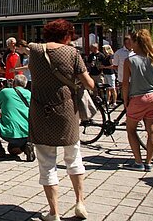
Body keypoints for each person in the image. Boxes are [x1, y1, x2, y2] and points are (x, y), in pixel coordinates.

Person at [27, 19, 94, 221]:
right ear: (67, 36)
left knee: (47, 163)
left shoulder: (35, 51)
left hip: (40, 111)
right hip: (66, 111)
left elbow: (28, 49)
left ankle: (54, 212)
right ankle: (80, 202)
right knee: (74, 157)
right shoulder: (72, 53)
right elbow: (89, 84)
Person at [121, 29, 153, 172]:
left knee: (131, 129)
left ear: (136, 43)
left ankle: (138, 162)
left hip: (138, 98)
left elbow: (125, 84)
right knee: (151, 130)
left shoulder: (130, 61)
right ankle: (149, 162)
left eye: (132, 41)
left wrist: (125, 100)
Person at [0, 74, 35, 161]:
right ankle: (25, 147)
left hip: (9, 132)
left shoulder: (5, 92)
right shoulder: (29, 94)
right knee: (12, 150)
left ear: (13, 83)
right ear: (25, 84)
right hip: (28, 134)